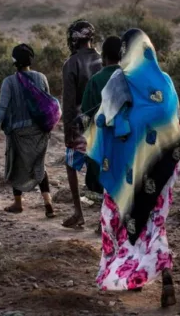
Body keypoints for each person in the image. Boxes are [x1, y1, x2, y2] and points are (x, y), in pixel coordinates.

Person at [87, 29, 180, 308]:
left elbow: (103, 120)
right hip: (159, 168)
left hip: (124, 170)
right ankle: (163, 272)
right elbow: (173, 123)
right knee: (153, 222)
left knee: (113, 219)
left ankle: (127, 274)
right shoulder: (165, 82)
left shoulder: (119, 81)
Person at [0, 44, 55, 218]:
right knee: (38, 165)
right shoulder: (41, 78)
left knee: (16, 164)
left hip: (18, 132)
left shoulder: (9, 82)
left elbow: (2, 106)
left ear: (14, 62)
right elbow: (48, 104)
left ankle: (18, 203)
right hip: (40, 131)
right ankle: (48, 203)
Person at [61, 19, 103, 228]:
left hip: (79, 126)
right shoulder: (103, 60)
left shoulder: (71, 63)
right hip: (103, 127)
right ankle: (103, 220)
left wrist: (68, 129)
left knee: (71, 166)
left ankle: (78, 213)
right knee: (103, 170)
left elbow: (68, 103)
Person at [82, 35, 122, 234]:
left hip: (103, 139)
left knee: (104, 178)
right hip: (128, 138)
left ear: (104, 56)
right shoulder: (130, 78)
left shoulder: (96, 80)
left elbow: (87, 111)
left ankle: (105, 223)